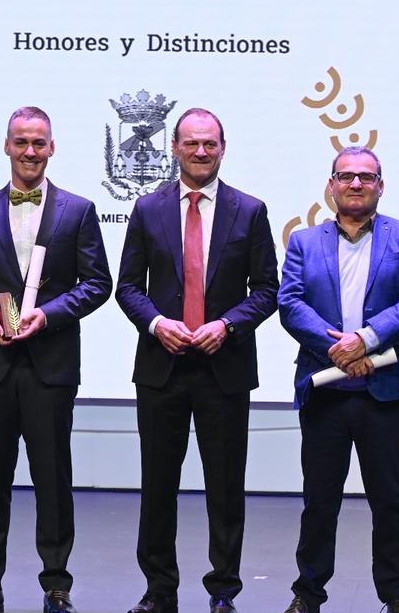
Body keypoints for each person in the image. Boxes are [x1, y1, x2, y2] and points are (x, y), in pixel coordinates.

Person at [0, 106, 112, 613]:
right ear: (7, 146)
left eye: (39, 143)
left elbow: (98, 282)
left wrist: (50, 315)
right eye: (21, 142)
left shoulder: (78, 210)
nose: (30, 151)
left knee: (52, 479)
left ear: (52, 148)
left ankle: (56, 584)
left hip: (51, 365)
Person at [115, 108, 279, 613]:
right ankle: (159, 589)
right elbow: (127, 287)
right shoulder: (147, 208)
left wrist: (226, 325)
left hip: (222, 370)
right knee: (157, 486)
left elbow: (267, 289)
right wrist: (156, 324)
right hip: (161, 369)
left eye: (210, 144)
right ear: (175, 148)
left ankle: (223, 591)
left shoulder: (249, 211)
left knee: (225, 489)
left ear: (223, 148)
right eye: (191, 143)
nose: (201, 151)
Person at [277, 146, 399, 613]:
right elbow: (291, 303)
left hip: (386, 393)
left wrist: (364, 340)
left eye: (367, 177)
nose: (356, 184)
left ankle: (397, 594)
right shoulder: (304, 242)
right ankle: (308, 593)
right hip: (324, 391)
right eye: (346, 176)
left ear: (381, 185)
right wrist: (338, 350)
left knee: (390, 502)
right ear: (331, 185)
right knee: (319, 502)